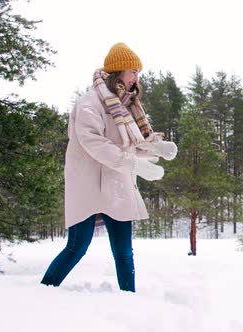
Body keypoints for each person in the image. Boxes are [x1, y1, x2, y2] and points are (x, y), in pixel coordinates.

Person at [41, 43, 178, 292]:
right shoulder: (89, 104)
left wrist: (155, 149)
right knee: (76, 248)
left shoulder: (126, 105)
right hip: (89, 183)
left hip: (116, 183)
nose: (137, 77)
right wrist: (134, 164)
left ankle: (129, 298)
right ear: (118, 72)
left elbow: (128, 144)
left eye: (138, 72)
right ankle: (45, 290)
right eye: (133, 71)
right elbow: (95, 143)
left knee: (124, 252)